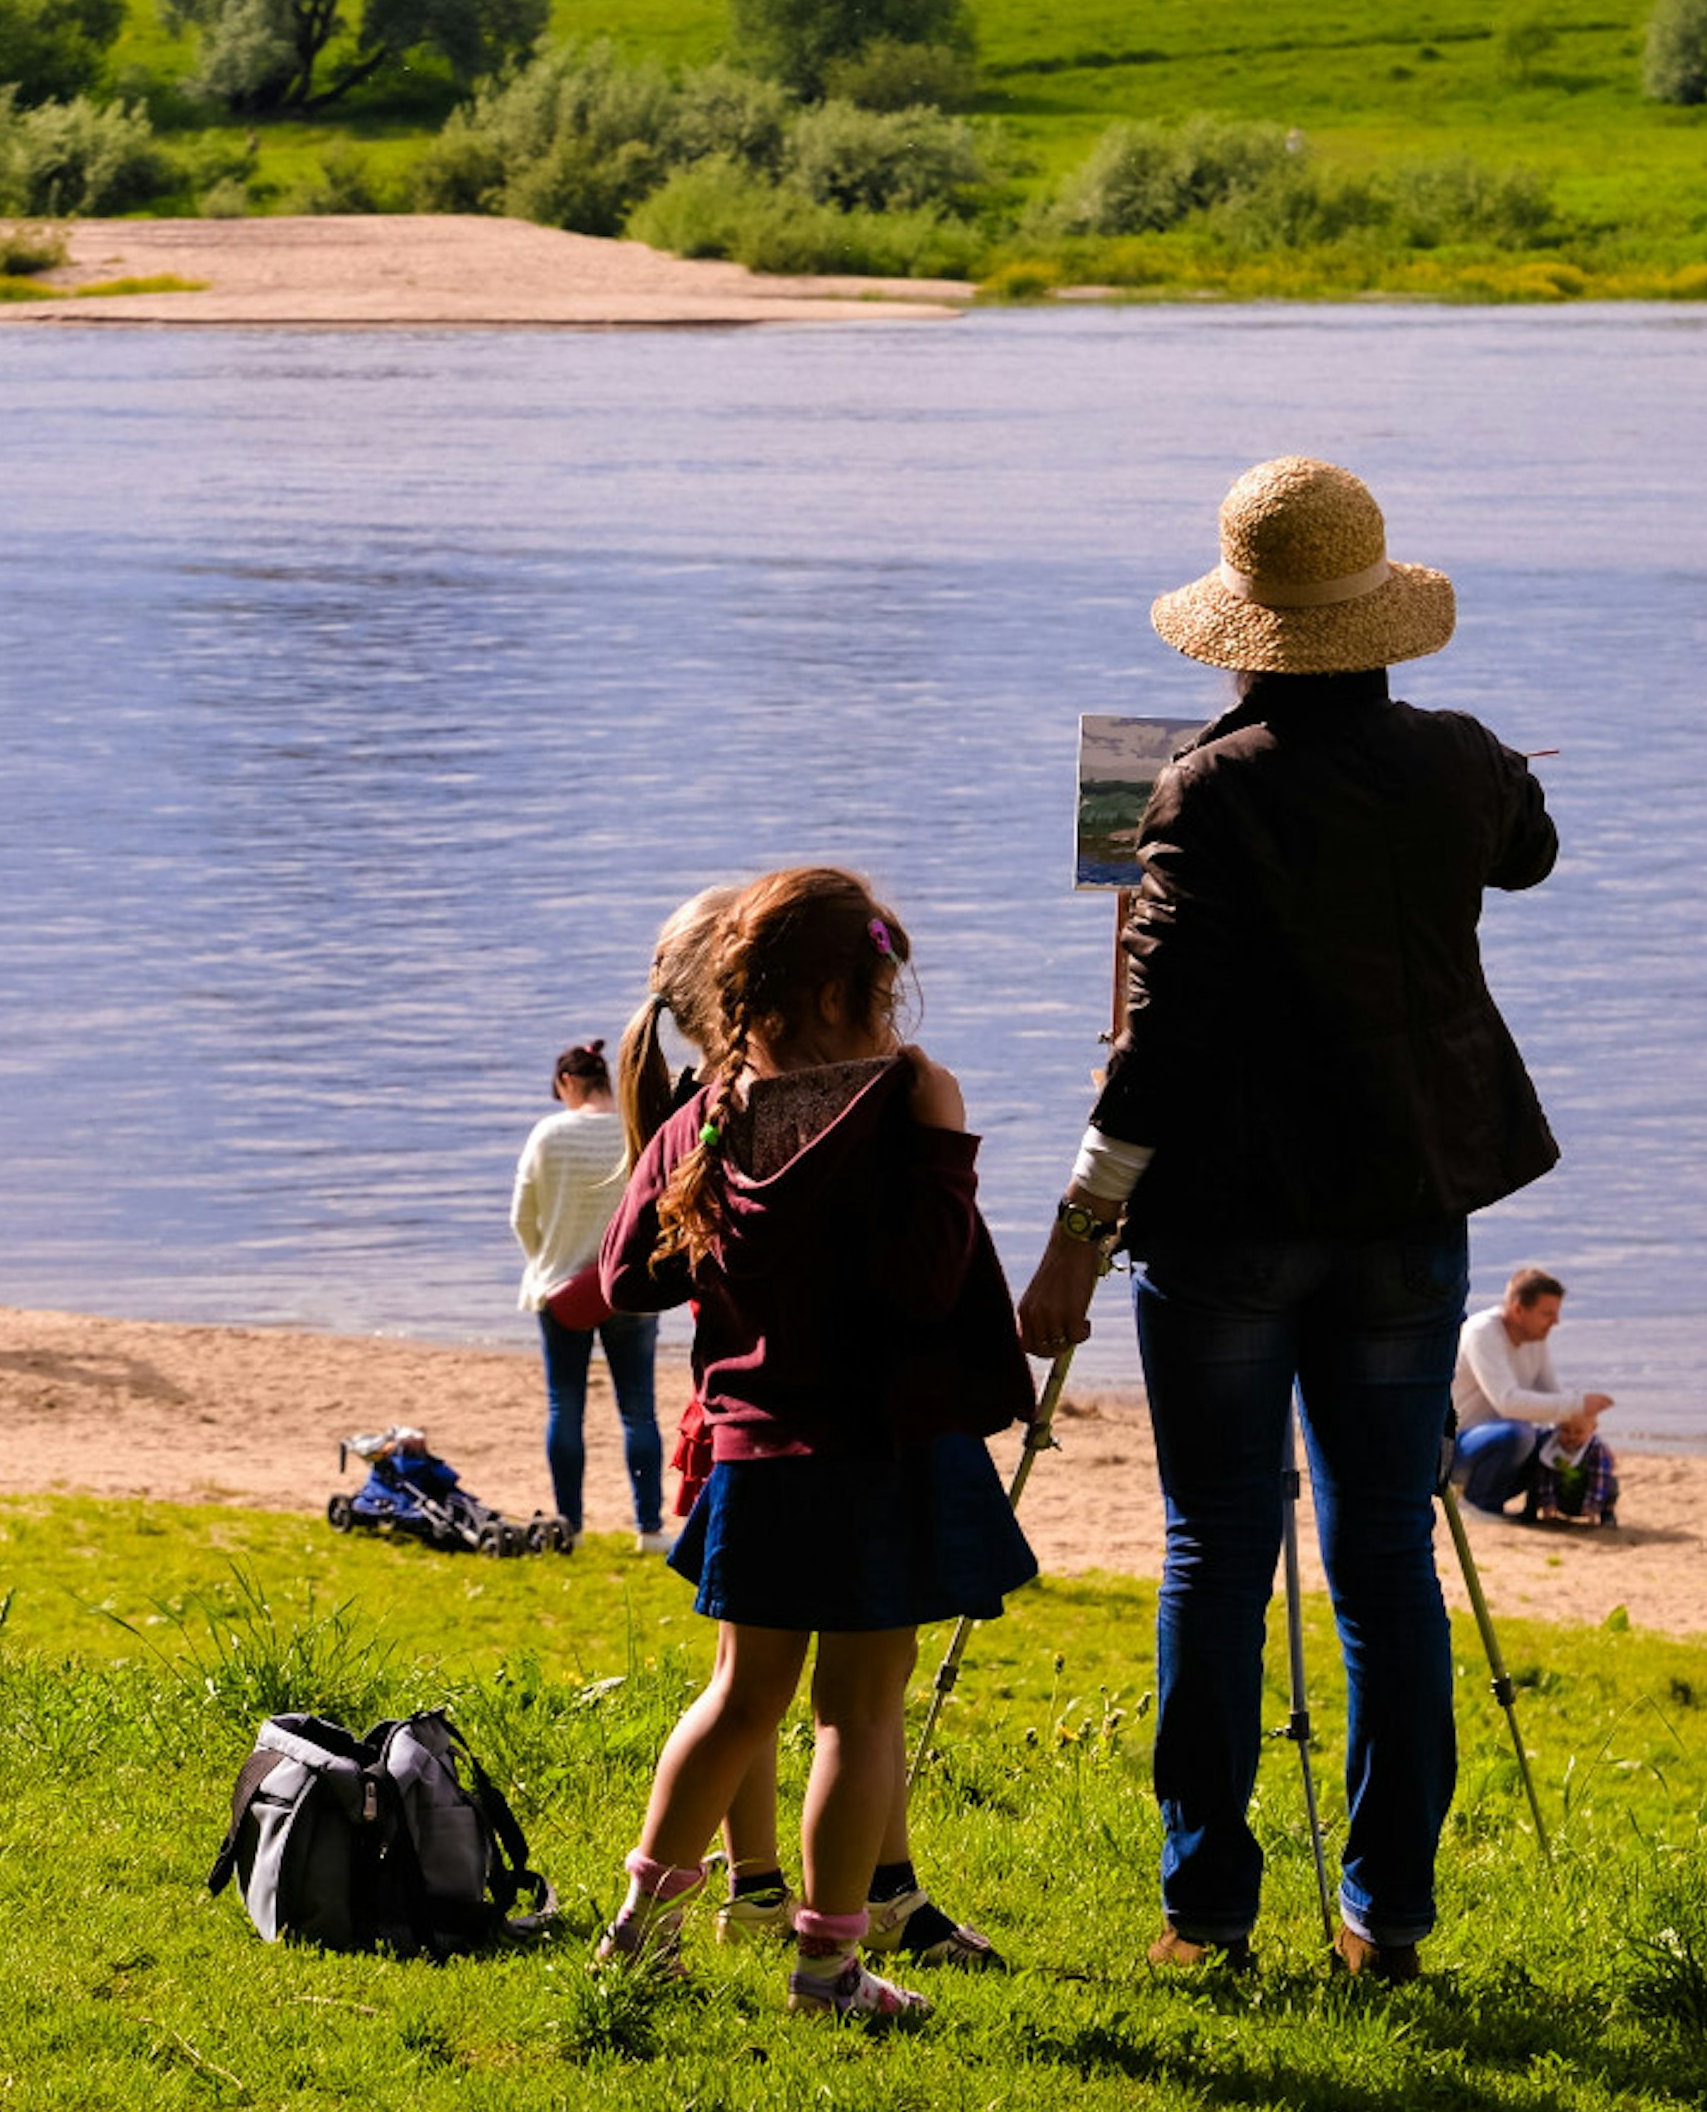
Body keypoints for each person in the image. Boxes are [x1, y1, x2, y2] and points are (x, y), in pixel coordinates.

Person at [1015, 456, 1559, 1986]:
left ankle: (1210, 1914)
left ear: (1244, 633)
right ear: (1383, 618)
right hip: (1401, 1210)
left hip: (1229, 1220)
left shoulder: (1203, 785)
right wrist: (1503, 773)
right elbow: (1530, 852)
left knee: (1216, 1544)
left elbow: (1163, 1042)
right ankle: (1386, 1916)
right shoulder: (1456, 757)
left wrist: (1076, 1225)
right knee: (1388, 1552)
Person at [593, 867, 1038, 2030]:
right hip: (881, 1456)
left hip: (752, 1454)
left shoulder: (708, 1109)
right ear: (867, 980)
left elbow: (622, 1276)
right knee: (857, 1714)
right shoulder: (907, 1101)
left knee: (740, 1699)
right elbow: (922, 1284)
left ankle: (636, 1933)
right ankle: (829, 1972)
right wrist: (948, 1149)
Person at [513, 1039, 666, 1548]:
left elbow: (521, 1217)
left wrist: (544, 1260)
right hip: (627, 1287)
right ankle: (648, 1529)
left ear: (567, 1084)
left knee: (565, 1408)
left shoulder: (548, 1134)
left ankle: (570, 1528)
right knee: (639, 1410)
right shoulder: (634, 1127)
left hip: (562, 1289)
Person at [1450, 1265, 1615, 1524]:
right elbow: (1507, 1402)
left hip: (1501, 1443)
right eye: (1547, 1313)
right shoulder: (1483, 1333)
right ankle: (1478, 1504)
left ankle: (1561, 1505)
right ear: (1518, 1310)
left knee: (1565, 1441)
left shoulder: (1535, 1339)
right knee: (1520, 1433)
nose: (1555, 1322)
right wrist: (1577, 1403)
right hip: (1461, 1444)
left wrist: (1581, 1426)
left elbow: (1551, 1395)